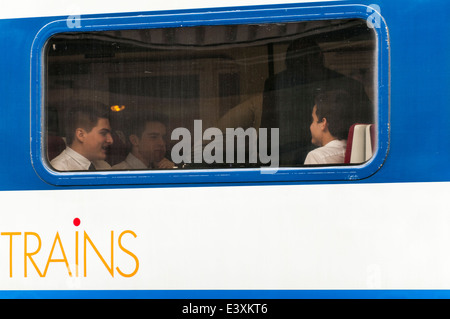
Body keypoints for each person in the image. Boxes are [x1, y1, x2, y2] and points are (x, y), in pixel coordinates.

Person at [260, 37, 372, 166]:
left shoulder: (349, 85)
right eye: (296, 63)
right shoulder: (275, 84)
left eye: (304, 62)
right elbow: (267, 131)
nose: (302, 70)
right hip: (287, 160)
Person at [50, 102, 113, 171]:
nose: (110, 140)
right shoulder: (59, 170)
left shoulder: (103, 166)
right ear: (81, 135)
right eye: (103, 133)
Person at [304, 90, 357, 165]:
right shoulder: (355, 152)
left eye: (313, 120)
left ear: (323, 123)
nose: (311, 126)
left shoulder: (316, 157)